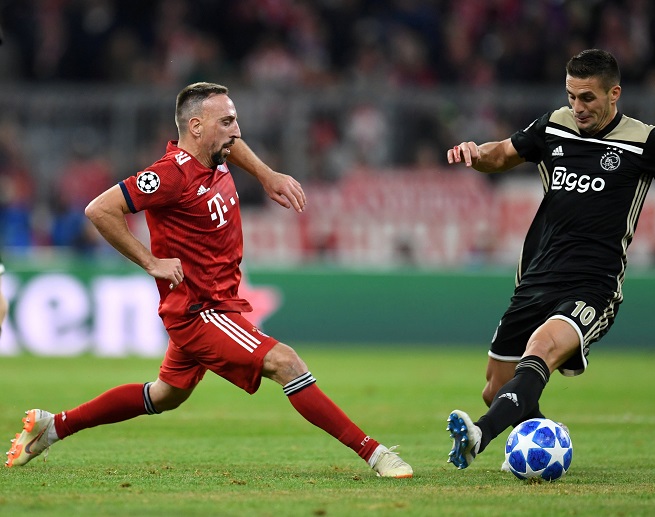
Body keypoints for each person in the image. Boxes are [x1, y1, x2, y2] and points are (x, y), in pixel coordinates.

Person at [5, 82, 413, 479]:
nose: (236, 131)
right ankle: (374, 453)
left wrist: (267, 175)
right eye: (227, 121)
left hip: (217, 301)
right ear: (196, 127)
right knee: (286, 363)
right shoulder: (169, 176)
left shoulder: (216, 156)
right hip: (200, 311)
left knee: (165, 395)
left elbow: (234, 148)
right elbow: (99, 210)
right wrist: (151, 261)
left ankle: (52, 427)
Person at [443, 49, 655, 470]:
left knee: (542, 346)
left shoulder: (646, 142)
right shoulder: (554, 126)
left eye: (587, 98)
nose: (577, 107)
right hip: (536, 276)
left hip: (594, 284)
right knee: (497, 389)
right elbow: (501, 154)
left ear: (614, 94)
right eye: (571, 96)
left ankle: (479, 434)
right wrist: (474, 153)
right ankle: (546, 444)